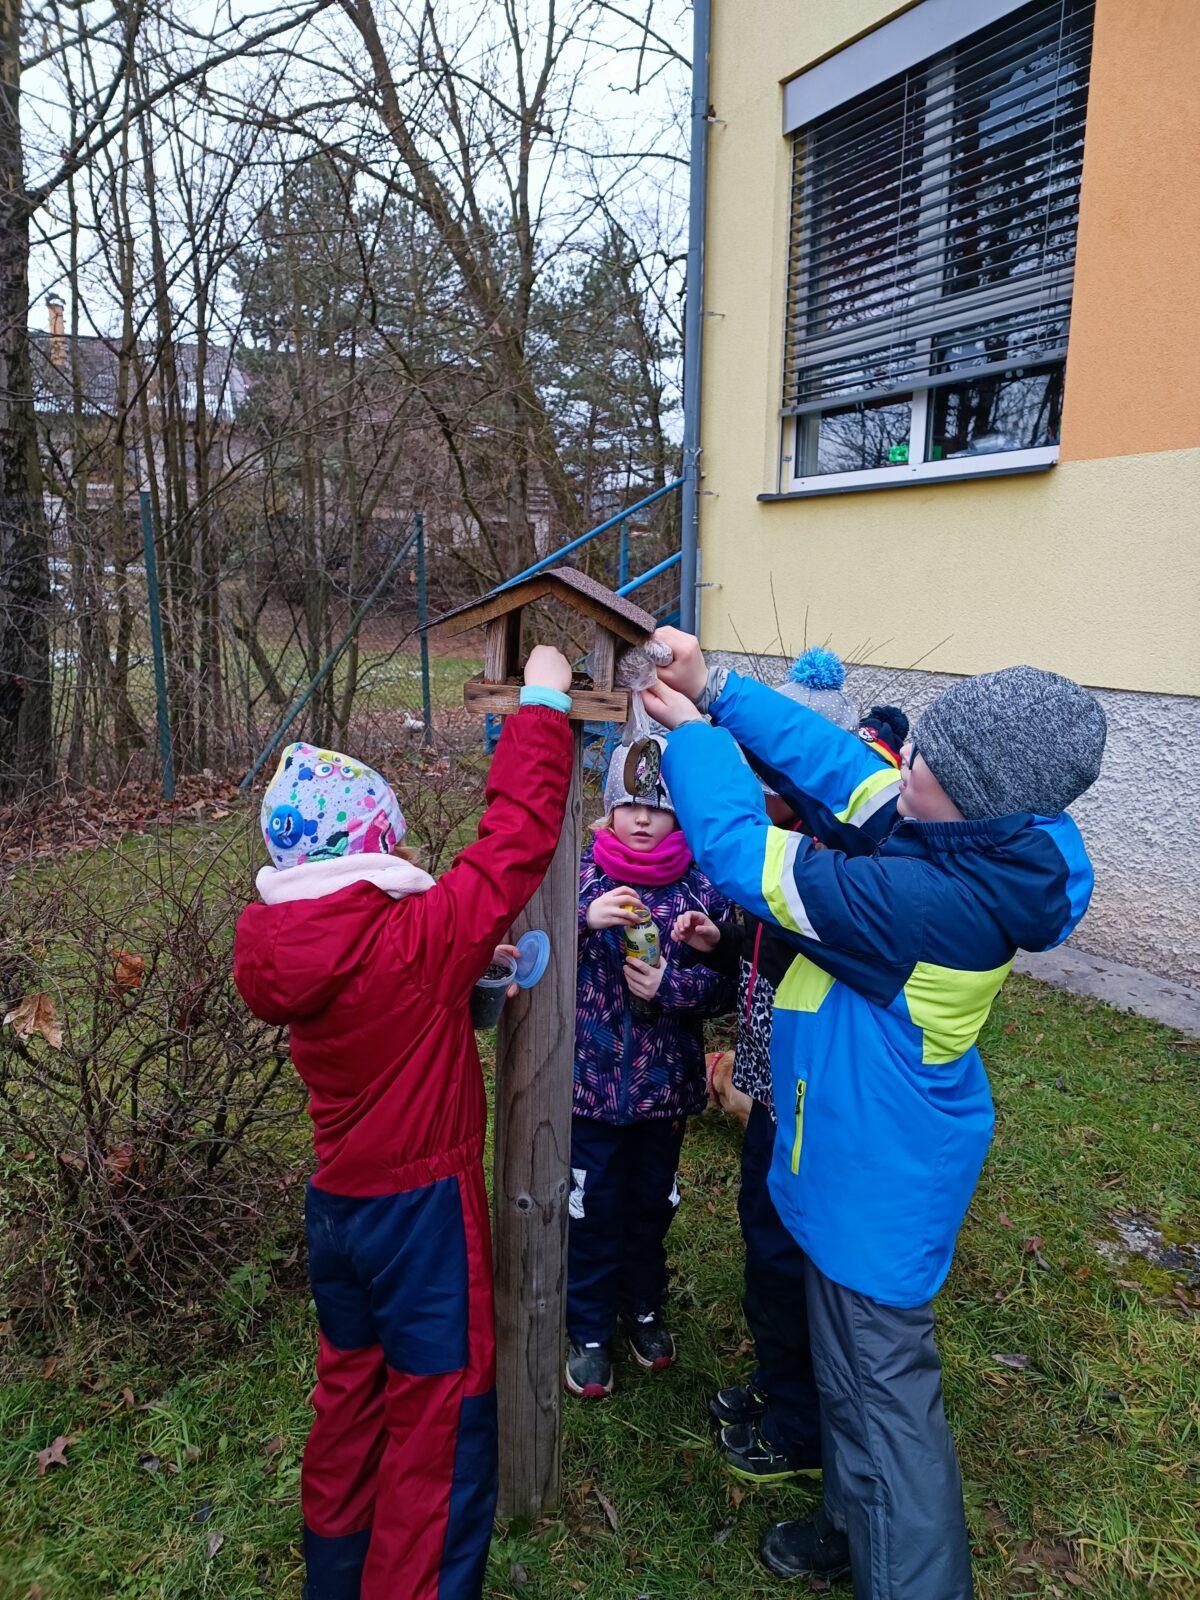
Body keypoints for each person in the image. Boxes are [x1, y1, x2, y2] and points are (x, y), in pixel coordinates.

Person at [644, 630, 1105, 1600]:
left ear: (972, 796)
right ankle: (853, 1531)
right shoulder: (962, 840)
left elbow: (745, 856)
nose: (908, 762)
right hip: (856, 1164)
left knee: (887, 1409)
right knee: (850, 1381)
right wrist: (718, 687)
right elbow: (843, 771)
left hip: (874, 1192)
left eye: (928, 758)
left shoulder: (921, 901)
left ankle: (912, 1576)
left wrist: (694, 739)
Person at [233, 646, 575, 1600]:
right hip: (422, 1220)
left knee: (350, 1398)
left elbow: (381, 1001)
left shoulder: (298, 954)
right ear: (372, 855)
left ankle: (335, 1578)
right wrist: (542, 703)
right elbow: (512, 842)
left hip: (338, 1213)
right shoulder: (418, 941)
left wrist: (459, 978)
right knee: (439, 1420)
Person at [671, 650, 900, 1486]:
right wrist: (725, 941)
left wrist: (693, 735)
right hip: (777, 1091)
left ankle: (802, 1426)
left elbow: (744, 861)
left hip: (818, 1105)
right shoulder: (814, 850)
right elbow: (775, 942)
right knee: (765, 1238)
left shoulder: (850, 874)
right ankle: (781, 1386)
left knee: (792, 1258)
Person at [565, 735, 736, 1400]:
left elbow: (726, 990)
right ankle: (588, 1328)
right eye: (630, 804)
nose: (642, 818)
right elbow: (534, 949)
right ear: (609, 808)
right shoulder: (580, 878)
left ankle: (641, 1308)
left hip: (664, 1091)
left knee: (649, 1205)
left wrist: (674, 984)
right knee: (590, 1209)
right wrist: (583, 920)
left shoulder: (700, 888)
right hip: (589, 1089)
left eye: (660, 807)